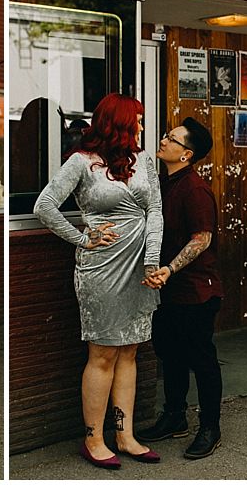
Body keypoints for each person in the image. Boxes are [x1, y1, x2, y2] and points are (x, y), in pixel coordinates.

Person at [33, 93, 164, 470]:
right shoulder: (81, 162)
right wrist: (82, 236)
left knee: (130, 350)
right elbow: (44, 206)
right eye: (136, 119)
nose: (141, 126)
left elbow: (154, 209)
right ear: (118, 122)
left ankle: (124, 435)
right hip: (101, 270)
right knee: (103, 352)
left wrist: (152, 261)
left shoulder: (143, 161)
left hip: (140, 267)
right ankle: (94, 438)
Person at [137, 117, 224, 459]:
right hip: (169, 290)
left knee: (201, 359)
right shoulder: (163, 183)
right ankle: (174, 417)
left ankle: (210, 427)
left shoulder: (195, 190)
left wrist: (169, 269)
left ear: (185, 154)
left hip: (196, 290)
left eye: (170, 138)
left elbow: (202, 239)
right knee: (170, 354)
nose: (163, 140)